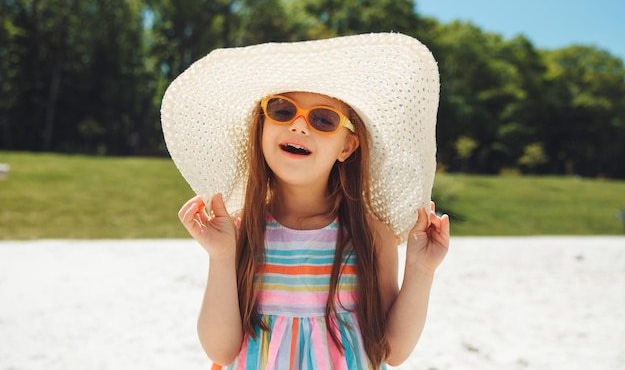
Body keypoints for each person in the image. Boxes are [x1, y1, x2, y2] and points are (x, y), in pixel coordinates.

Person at [161, 33, 450, 369]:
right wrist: (221, 255)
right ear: (261, 127)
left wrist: (421, 270)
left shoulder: (370, 235)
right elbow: (220, 351)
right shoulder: (242, 234)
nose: (298, 125)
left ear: (347, 147)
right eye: (282, 110)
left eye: (323, 119)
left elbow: (392, 351)